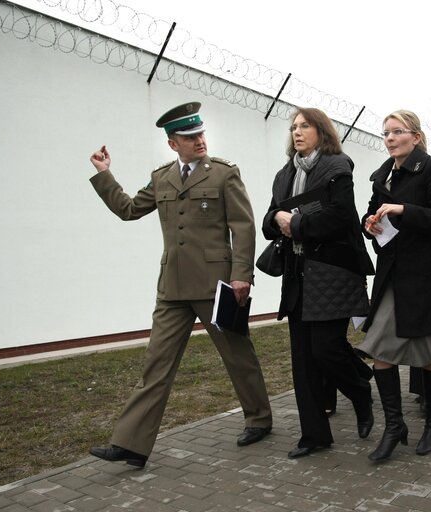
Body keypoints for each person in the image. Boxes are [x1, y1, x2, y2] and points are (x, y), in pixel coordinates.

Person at [87, 102, 273, 468]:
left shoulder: (223, 174)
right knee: (155, 365)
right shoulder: (161, 179)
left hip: (216, 285)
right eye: (190, 137)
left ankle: (259, 419)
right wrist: (104, 174)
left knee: (238, 356)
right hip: (172, 289)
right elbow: (127, 209)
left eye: (201, 134)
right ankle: (131, 444)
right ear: (174, 144)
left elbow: (243, 226)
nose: (199, 141)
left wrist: (242, 275)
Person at [359, 110, 431, 461]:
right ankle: (395, 425)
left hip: (424, 277)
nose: (390, 138)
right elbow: (371, 213)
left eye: (397, 132)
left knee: (428, 358)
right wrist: (369, 223)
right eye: (386, 133)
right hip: (391, 273)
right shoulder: (383, 175)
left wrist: (402, 210)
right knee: (379, 350)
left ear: (416, 137)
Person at [262, 108, 376, 459]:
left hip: (332, 272)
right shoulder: (284, 175)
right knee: (302, 360)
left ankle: (359, 392)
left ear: (321, 131)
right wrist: (277, 217)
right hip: (298, 273)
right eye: (293, 127)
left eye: (304, 126)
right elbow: (269, 222)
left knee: (326, 349)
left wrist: (295, 223)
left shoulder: (337, 168)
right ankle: (314, 435)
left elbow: (342, 217)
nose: (297, 132)